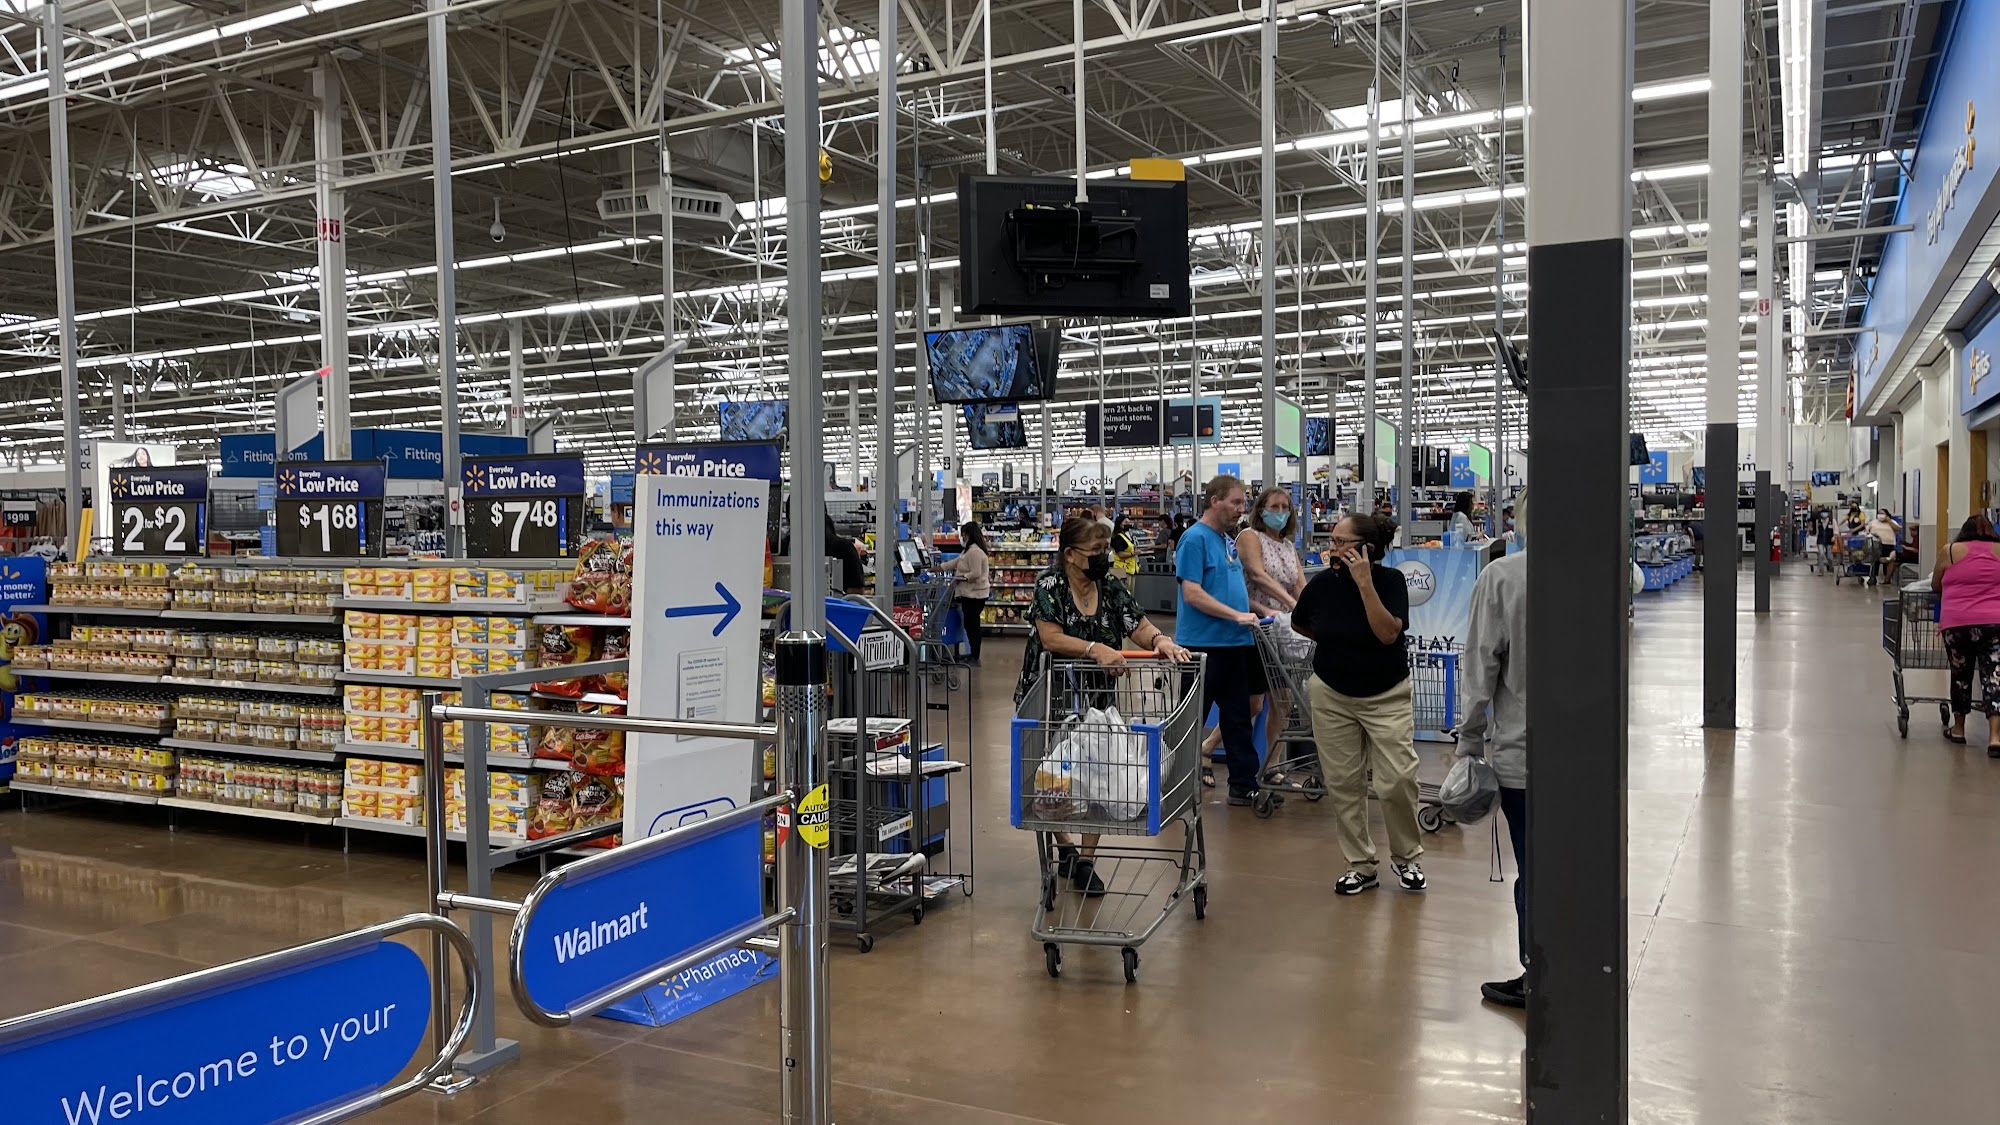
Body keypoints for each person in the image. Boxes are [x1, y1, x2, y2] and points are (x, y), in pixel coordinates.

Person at [1016, 516, 1191, 894]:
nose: (1102, 558)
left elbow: (1137, 624)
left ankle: (1086, 860)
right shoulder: (1050, 585)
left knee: (1099, 770)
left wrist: (1160, 640)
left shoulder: (1109, 587)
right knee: (1051, 773)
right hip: (1051, 692)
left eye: (1104, 550)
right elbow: (1050, 638)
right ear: (1070, 555)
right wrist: (1096, 649)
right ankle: (1064, 844)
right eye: (1094, 551)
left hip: (1098, 697)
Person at [1292, 513, 1425, 894]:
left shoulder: (1390, 581)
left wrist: (1364, 582)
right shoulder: (1322, 584)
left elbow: (1387, 634)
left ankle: (1407, 857)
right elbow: (1301, 622)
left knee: (1397, 779)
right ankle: (1360, 864)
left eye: (1340, 542)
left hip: (1386, 694)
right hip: (1332, 693)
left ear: (1367, 548)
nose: (1332, 549)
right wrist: (1340, 642)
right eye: (1331, 541)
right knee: (1344, 783)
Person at [1457, 490, 1530, 1006]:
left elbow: (1480, 666)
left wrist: (1468, 738)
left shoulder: (1503, 577)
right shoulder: (1609, 572)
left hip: (1523, 755)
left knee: (1536, 867)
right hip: (1594, 759)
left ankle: (1539, 972)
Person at [1175, 476, 1265, 802]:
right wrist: (1236, 615)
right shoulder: (1194, 539)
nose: (1242, 509)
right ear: (1215, 500)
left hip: (1235, 643)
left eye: (1244, 503)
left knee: (1238, 719)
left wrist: (1258, 611)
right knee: (1190, 720)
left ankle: (1243, 784)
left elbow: (1231, 590)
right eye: (1236, 502)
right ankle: (1176, 782)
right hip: (1202, 646)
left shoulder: (1227, 541)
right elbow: (1192, 593)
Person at [1228, 487, 1308, 781]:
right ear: (1260, 510)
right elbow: (1256, 575)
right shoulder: (1250, 537)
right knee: (1254, 703)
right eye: (1274, 507)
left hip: (1284, 631)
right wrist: (1290, 605)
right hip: (1257, 627)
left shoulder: (1287, 545)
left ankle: (1272, 766)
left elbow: (1298, 583)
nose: (1280, 512)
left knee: (1282, 702)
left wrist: (1312, 608)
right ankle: (1208, 747)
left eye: (1285, 507)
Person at [1932, 513, 2000, 754]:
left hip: (1957, 624)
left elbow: (1935, 585)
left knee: (1961, 675)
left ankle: (1959, 729)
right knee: (1994, 676)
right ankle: (1995, 737)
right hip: (1995, 624)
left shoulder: (1949, 551)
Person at [940, 521, 991, 664]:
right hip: (971, 594)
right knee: (970, 624)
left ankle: (975, 655)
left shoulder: (975, 552)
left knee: (972, 625)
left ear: (968, 534)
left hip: (975, 594)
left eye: (963, 534)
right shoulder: (968, 551)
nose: (961, 537)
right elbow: (955, 562)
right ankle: (973, 654)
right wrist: (938, 568)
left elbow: (976, 573)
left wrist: (961, 577)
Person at [1866, 508, 1902, 586]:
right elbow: (1867, 531)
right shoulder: (1873, 522)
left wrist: (1888, 521)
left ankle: (1887, 579)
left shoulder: (1892, 522)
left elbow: (1898, 529)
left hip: (1889, 545)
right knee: (1875, 561)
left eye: (1882, 513)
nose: (1880, 515)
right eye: (1879, 513)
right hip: (1876, 545)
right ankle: (1873, 578)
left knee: (1889, 560)